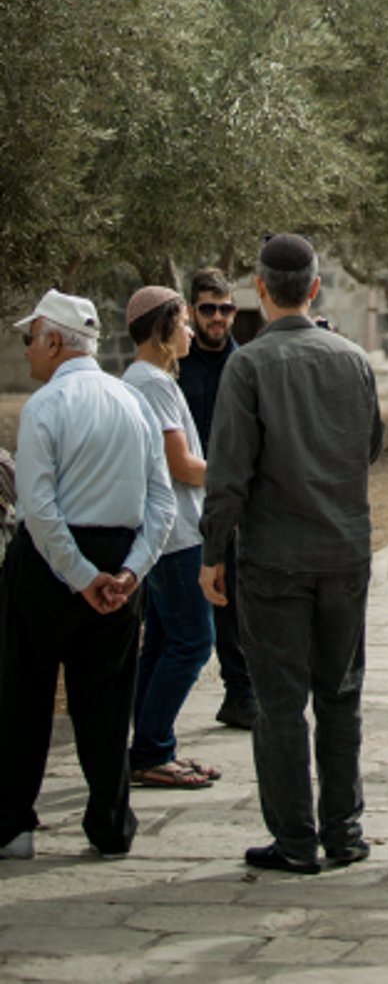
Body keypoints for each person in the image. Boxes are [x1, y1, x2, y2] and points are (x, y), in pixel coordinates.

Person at [200, 234, 383, 874]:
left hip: (274, 556)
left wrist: (212, 550)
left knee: (281, 704)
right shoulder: (354, 359)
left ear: (258, 288)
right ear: (314, 288)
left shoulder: (247, 366)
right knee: (341, 695)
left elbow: (229, 470)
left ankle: (295, 839)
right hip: (343, 551)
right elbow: (369, 447)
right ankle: (346, 830)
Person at [0, 289, 174, 860]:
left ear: (53, 340)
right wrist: (128, 572)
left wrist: (79, 574)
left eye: (31, 339)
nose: (27, 351)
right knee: (106, 700)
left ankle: (14, 827)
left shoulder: (46, 407)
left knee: (23, 694)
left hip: (52, 564)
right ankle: (109, 825)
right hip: (119, 560)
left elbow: (39, 510)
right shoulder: (135, 405)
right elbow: (162, 504)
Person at [123, 287, 219, 789]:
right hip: (177, 535)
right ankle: (152, 749)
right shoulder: (153, 384)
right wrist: (236, 471)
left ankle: (147, 746)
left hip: (167, 532)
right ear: (161, 329)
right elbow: (181, 465)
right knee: (193, 642)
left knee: (160, 645)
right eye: (182, 323)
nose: (190, 331)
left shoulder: (147, 379)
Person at [177, 266, 255, 731]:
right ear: (192, 311)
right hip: (183, 503)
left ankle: (240, 693)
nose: (218, 318)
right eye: (209, 309)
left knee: (235, 604)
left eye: (227, 309)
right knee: (181, 617)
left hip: (232, 503)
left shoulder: (246, 363)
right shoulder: (176, 366)